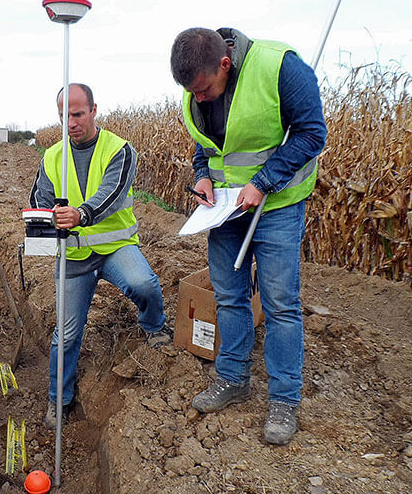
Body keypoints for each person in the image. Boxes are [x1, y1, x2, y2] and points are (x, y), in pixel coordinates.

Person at [169, 28, 327, 445]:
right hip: (225, 209)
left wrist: (264, 181)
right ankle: (233, 378)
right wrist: (202, 177)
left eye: (204, 90)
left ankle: (284, 400)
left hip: (276, 204)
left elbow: (313, 134)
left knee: (279, 303)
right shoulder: (197, 87)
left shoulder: (279, 67)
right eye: (192, 93)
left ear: (225, 64)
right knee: (229, 296)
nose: (199, 99)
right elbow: (206, 145)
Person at [29, 83, 172, 430]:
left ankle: (153, 326)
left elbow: (110, 194)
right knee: (65, 334)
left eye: (77, 114)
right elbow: (39, 200)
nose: (71, 122)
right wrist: (43, 220)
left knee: (144, 284)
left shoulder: (119, 150)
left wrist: (81, 214)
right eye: (64, 116)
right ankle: (58, 400)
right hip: (76, 257)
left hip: (114, 247)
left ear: (94, 110)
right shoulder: (52, 156)